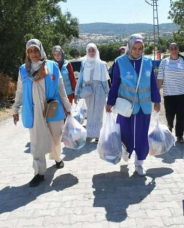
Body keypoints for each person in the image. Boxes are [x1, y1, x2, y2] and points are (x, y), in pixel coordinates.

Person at [12, 39, 72, 187]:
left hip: (52, 107)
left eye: (36, 50)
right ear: (27, 53)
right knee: (36, 141)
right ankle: (39, 172)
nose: (33, 54)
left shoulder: (51, 66)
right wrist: (15, 109)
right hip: (33, 110)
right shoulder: (23, 70)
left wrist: (68, 107)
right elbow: (19, 91)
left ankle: (57, 158)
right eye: (30, 51)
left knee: (56, 137)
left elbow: (61, 88)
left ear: (41, 50)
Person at [106, 34, 161, 176]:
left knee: (142, 135)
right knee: (125, 132)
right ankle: (126, 150)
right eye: (135, 48)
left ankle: (139, 163)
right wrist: (110, 102)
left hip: (144, 106)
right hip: (126, 107)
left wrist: (157, 100)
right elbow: (115, 84)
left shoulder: (148, 62)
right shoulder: (120, 62)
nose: (137, 51)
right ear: (129, 47)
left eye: (140, 48)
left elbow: (153, 83)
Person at [157, 43, 184, 143]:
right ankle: (170, 128)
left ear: (178, 49)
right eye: (171, 48)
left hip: (183, 93)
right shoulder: (164, 62)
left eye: (175, 48)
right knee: (169, 115)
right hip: (169, 94)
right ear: (169, 50)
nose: (173, 50)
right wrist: (156, 94)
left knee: (181, 115)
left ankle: (179, 136)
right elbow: (160, 78)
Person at [75, 43, 110, 143]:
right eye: (89, 50)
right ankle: (90, 133)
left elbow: (105, 81)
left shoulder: (102, 64)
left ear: (96, 51)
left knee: (98, 113)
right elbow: (81, 78)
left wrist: (108, 95)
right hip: (88, 91)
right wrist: (76, 93)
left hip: (99, 91)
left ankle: (98, 135)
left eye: (93, 50)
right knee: (90, 113)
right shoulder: (84, 63)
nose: (91, 52)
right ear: (86, 51)